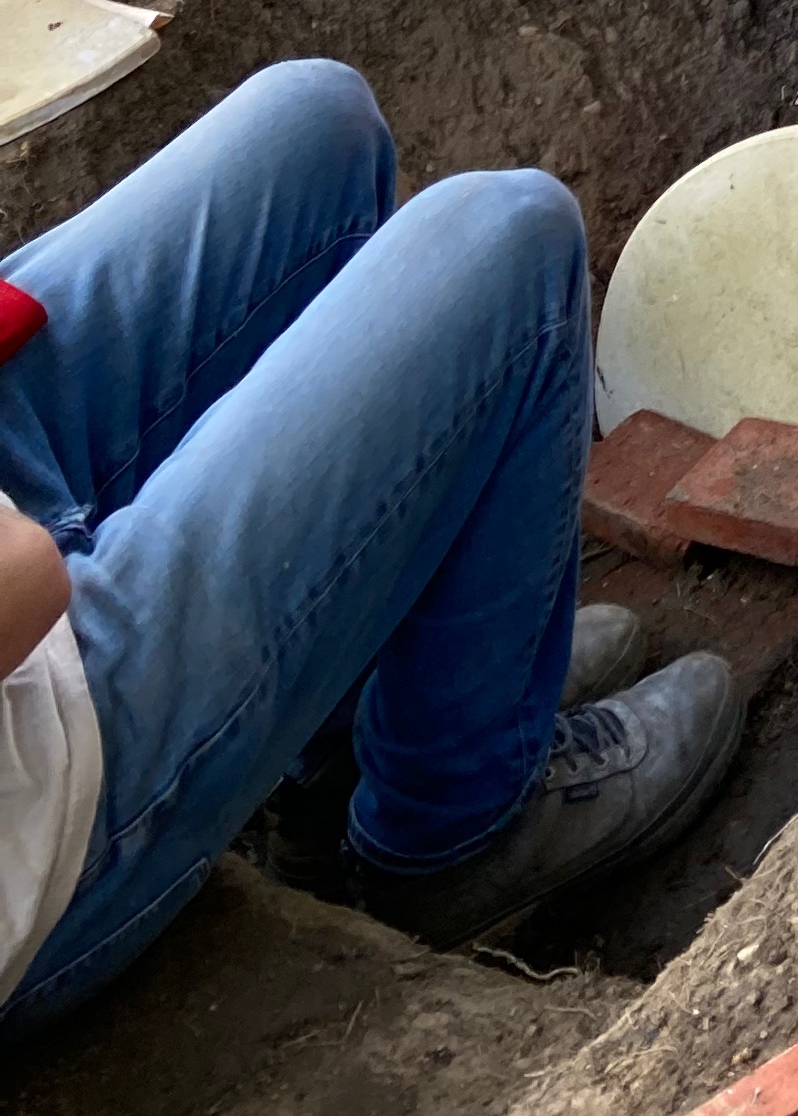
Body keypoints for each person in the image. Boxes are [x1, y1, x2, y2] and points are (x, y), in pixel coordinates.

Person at [0, 60, 743, 1026]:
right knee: (511, 242)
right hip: (49, 775)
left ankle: (353, 752)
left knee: (317, 134)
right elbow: (25, 580)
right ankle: (457, 829)